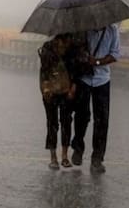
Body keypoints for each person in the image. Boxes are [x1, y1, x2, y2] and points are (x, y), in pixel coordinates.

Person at [71, 23, 120, 174]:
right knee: (82, 116)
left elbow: (115, 55)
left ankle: (97, 159)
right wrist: (83, 56)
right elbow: (75, 50)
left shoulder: (113, 31)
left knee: (102, 120)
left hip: (102, 79)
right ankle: (78, 148)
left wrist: (97, 61)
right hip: (84, 78)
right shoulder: (83, 29)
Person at [38, 34, 78, 169]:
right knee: (52, 122)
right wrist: (46, 89)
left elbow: (75, 70)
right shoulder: (47, 49)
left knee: (66, 121)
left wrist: (73, 87)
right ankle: (53, 157)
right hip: (51, 92)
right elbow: (44, 71)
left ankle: (65, 156)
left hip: (66, 91)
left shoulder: (72, 48)